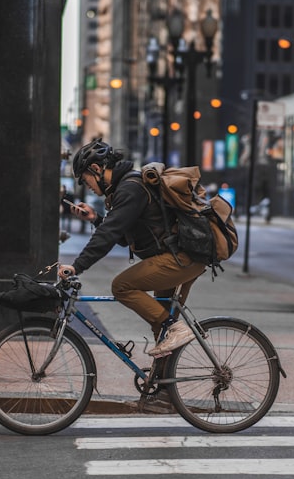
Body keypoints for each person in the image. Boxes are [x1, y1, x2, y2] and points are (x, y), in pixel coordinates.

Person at [58, 138, 205, 358]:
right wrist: (96, 218)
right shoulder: (125, 188)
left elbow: (108, 235)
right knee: (161, 329)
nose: (85, 185)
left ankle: (177, 328)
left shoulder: (130, 188)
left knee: (122, 286)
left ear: (96, 169)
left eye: (85, 179)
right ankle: (162, 391)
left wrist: (77, 266)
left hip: (181, 258)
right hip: (181, 256)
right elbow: (123, 238)